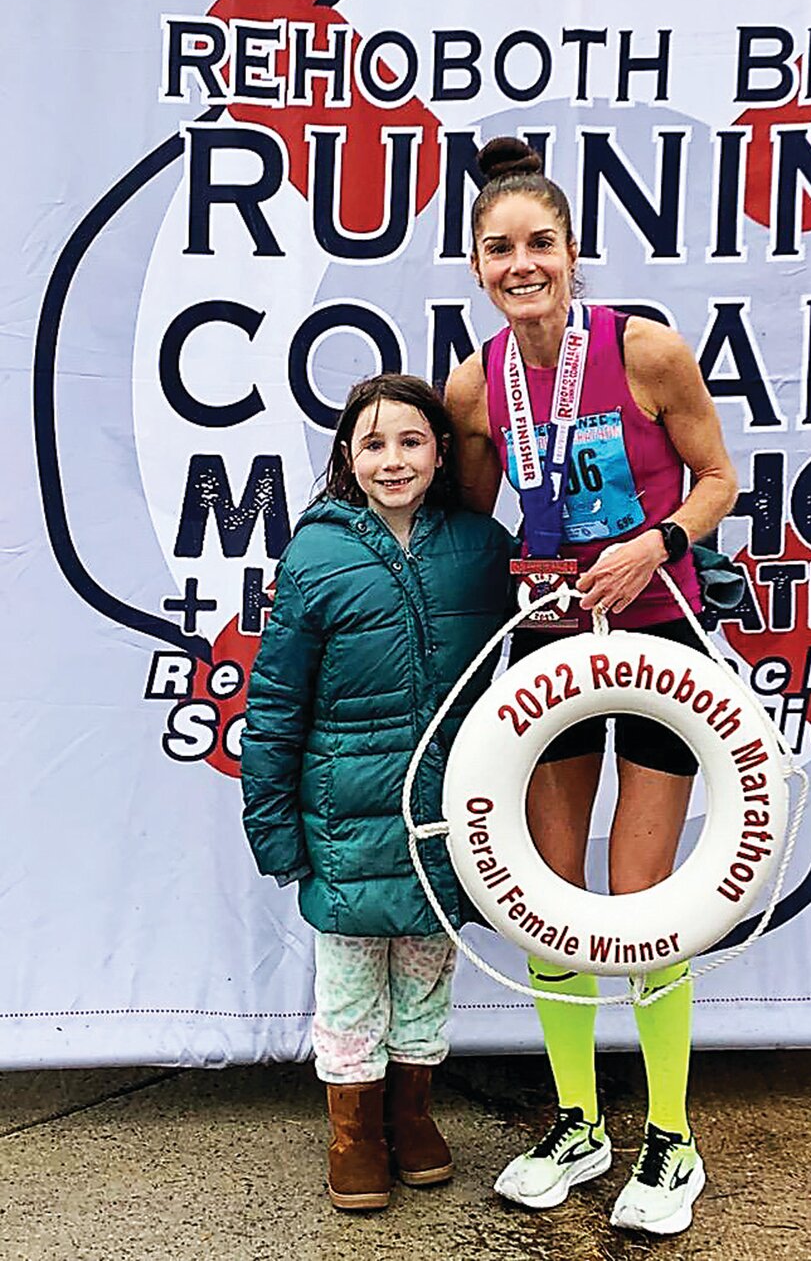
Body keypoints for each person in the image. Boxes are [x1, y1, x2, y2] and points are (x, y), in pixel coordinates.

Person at [445, 137, 739, 1237]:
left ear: (574, 252)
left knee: (649, 898)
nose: (522, 264)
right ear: (475, 265)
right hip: (555, 656)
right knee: (552, 897)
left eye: (540, 245)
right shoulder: (475, 382)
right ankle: (579, 1122)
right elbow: (474, 518)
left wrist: (655, 542)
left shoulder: (649, 351)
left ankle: (672, 1134)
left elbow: (718, 480)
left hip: (665, 646)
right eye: (499, 248)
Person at [240, 373, 514, 1212]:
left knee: (428, 971)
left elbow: (567, 605)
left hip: (442, 814)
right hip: (344, 818)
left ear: (441, 451)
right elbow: (276, 703)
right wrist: (276, 828)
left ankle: (413, 1112)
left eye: (411, 441)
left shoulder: (484, 547)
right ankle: (354, 1130)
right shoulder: (314, 554)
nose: (392, 460)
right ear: (346, 459)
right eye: (372, 444)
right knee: (354, 981)